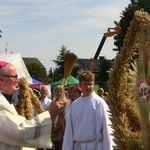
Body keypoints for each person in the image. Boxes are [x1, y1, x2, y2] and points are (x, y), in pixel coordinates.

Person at [0, 61, 52, 150]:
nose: (17, 80)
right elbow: (19, 131)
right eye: (14, 77)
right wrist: (50, 115)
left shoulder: (6, 100)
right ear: (1, 79)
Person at [62, 70, 114, 150]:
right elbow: (69, 131)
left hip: (95, 146)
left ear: (94, 84)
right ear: (80, 86)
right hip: (78, 146)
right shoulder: (75, 105)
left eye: (90, 84)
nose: (88, 87)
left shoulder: (100, 103)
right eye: (85, 84)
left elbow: (107, 129)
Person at [49, 85, 69, 150]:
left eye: (61, 92)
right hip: (53, 128)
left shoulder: (66, 103)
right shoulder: (52, 103)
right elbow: (50, 115)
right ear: (55, 93)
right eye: (57, 91)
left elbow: (65, 116)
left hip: (62, 128)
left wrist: (59, 125)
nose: (59, 93)